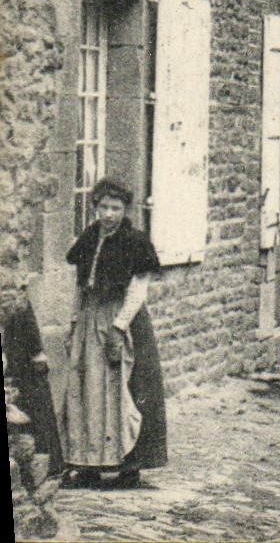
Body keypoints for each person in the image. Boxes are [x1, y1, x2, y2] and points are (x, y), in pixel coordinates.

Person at [61, 178, 167, 488]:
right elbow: (80, 287)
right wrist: (72, 324)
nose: (109, 214)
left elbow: (138, 289)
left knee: (124, 389)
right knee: (87, 389)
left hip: (123, 318)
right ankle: (87, 463)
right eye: (104, 207)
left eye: (116, 208)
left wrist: (120, 328)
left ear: (125, 209)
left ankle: (128, 466)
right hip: (89, 319)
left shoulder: (135, 241)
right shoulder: (89, 237)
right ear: (95, 207)